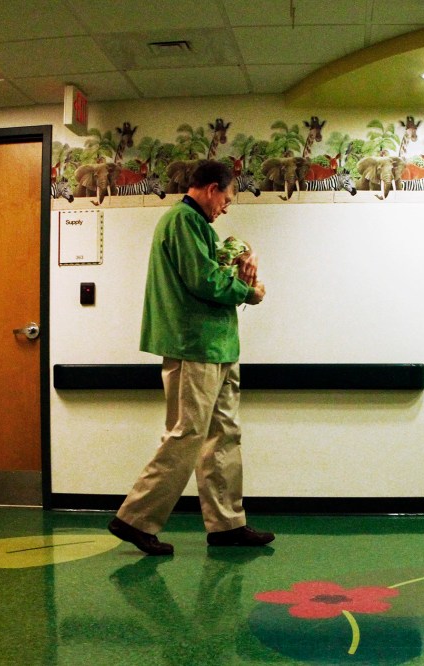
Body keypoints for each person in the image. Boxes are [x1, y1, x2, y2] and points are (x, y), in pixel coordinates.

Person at [108, 159, 273, 556]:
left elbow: (212, 274)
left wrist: (241, 266)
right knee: (186, 434)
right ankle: (134, 519)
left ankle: (227, 524)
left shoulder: (198, 227)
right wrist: (248, 291)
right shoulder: (182, 221)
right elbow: (203, 280)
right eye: (228, 198)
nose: (227, 207)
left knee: (224, 436)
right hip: (194, 346)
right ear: (213, 188)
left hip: (217, 347)